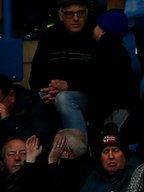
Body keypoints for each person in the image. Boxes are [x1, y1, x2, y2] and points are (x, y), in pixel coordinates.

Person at [29, 0, 137, 136]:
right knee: (38, 100)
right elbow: (35, 77)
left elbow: (100, 80)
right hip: (50, 93)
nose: (76, 18)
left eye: (80, 13)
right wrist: (51, 90)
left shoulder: (97, 38)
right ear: (61, 15)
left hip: (88, 95)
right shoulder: (48, 38)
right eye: (70, 14)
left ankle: (81, 149)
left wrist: (69, 85)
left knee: (64, 98)